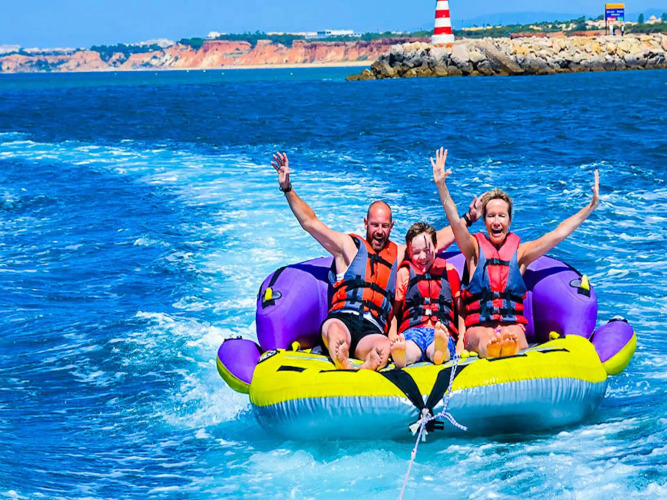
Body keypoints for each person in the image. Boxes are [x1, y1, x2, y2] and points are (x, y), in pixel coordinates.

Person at [271, 151, 482, 370]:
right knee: (335, 332)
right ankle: (342, 358)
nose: (379, 231)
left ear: (391, 227)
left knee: (383, 348)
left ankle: (365, 366)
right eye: (375, 225)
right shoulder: (348, 247)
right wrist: (287, 189)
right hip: (343, 317)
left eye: (384, 226)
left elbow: (434, 242)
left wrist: (468, 219)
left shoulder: (398, 253)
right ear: (366, 223)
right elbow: (311, 222)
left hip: (373, 327)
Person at [431, 147, 599, 358]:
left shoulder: (520, 253)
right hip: (479, 328)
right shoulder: (473, 249)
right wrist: (441, 185)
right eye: (491, 216)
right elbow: (456, 222)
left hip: (512, 325)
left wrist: (590, 207)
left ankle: (506, 350)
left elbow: (558, 233)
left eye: (502, 216)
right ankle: (492, 349)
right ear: (484, 221)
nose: (497, 221)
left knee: (513, 335)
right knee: (485, 338)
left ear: (509, 221)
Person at [389, 222, 465, 369]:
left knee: (439, 346)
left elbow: (461, 311)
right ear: (409, 252)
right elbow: (394, 312)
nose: (422, 256)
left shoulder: (450, 272)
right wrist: (392, 338)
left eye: (427, 250)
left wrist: (461, 339)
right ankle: (402, 356)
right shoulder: (404, 273)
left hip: (442, 330)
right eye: (416, 252)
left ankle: (439, 351)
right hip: (412, 330)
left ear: (435, 246)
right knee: (410, 347)